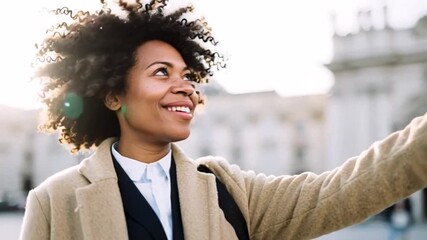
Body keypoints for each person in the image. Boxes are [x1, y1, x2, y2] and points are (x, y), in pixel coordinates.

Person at [20, 0, 427, 239]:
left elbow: (341, 191)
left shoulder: (229, 191)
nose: (186, 88)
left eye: (189, 77)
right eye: (162, 73)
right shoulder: (53, 201)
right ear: (111, 95)